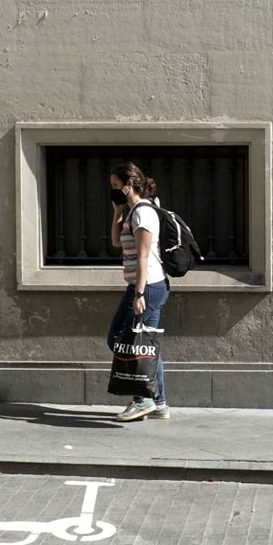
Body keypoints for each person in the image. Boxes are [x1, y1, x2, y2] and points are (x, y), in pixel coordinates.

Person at [108, 162, 170, 421]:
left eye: (114, 186)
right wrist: (117, 212)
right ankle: (159, 403)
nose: (111, 190)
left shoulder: (144, 214)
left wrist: (139, 295)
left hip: (149, 287)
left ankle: (143, 399)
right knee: (146, 347)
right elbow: (114, 242)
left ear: (128, 184)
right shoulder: (132, 212)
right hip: (142, 286)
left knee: (120, 339)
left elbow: (143, 258)